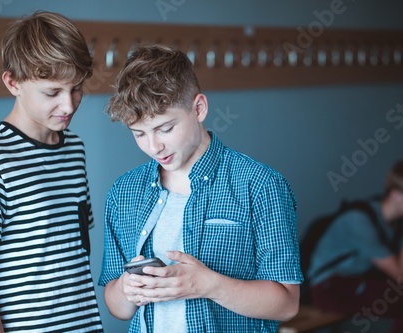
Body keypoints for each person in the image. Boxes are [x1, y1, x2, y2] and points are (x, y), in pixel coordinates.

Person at [98, 43, 303, 333]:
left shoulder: (260, 186)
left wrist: (207, 285)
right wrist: (127, 289)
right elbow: (116, 307)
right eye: (139, 133)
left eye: (165, 129)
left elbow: (287, 305)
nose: (154, 146)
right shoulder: (124, 192)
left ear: (199, 108)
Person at [0, 11, 103, 333]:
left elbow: (72, 257)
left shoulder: (74, 149)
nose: (69, 105)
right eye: (52, 93)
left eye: (77, 88)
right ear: (13, 83)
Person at [307, 160, 403, 333]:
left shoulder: (393, 225)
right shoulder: (359, 220)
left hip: (357, 280)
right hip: (329, 286)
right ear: (395, 194)